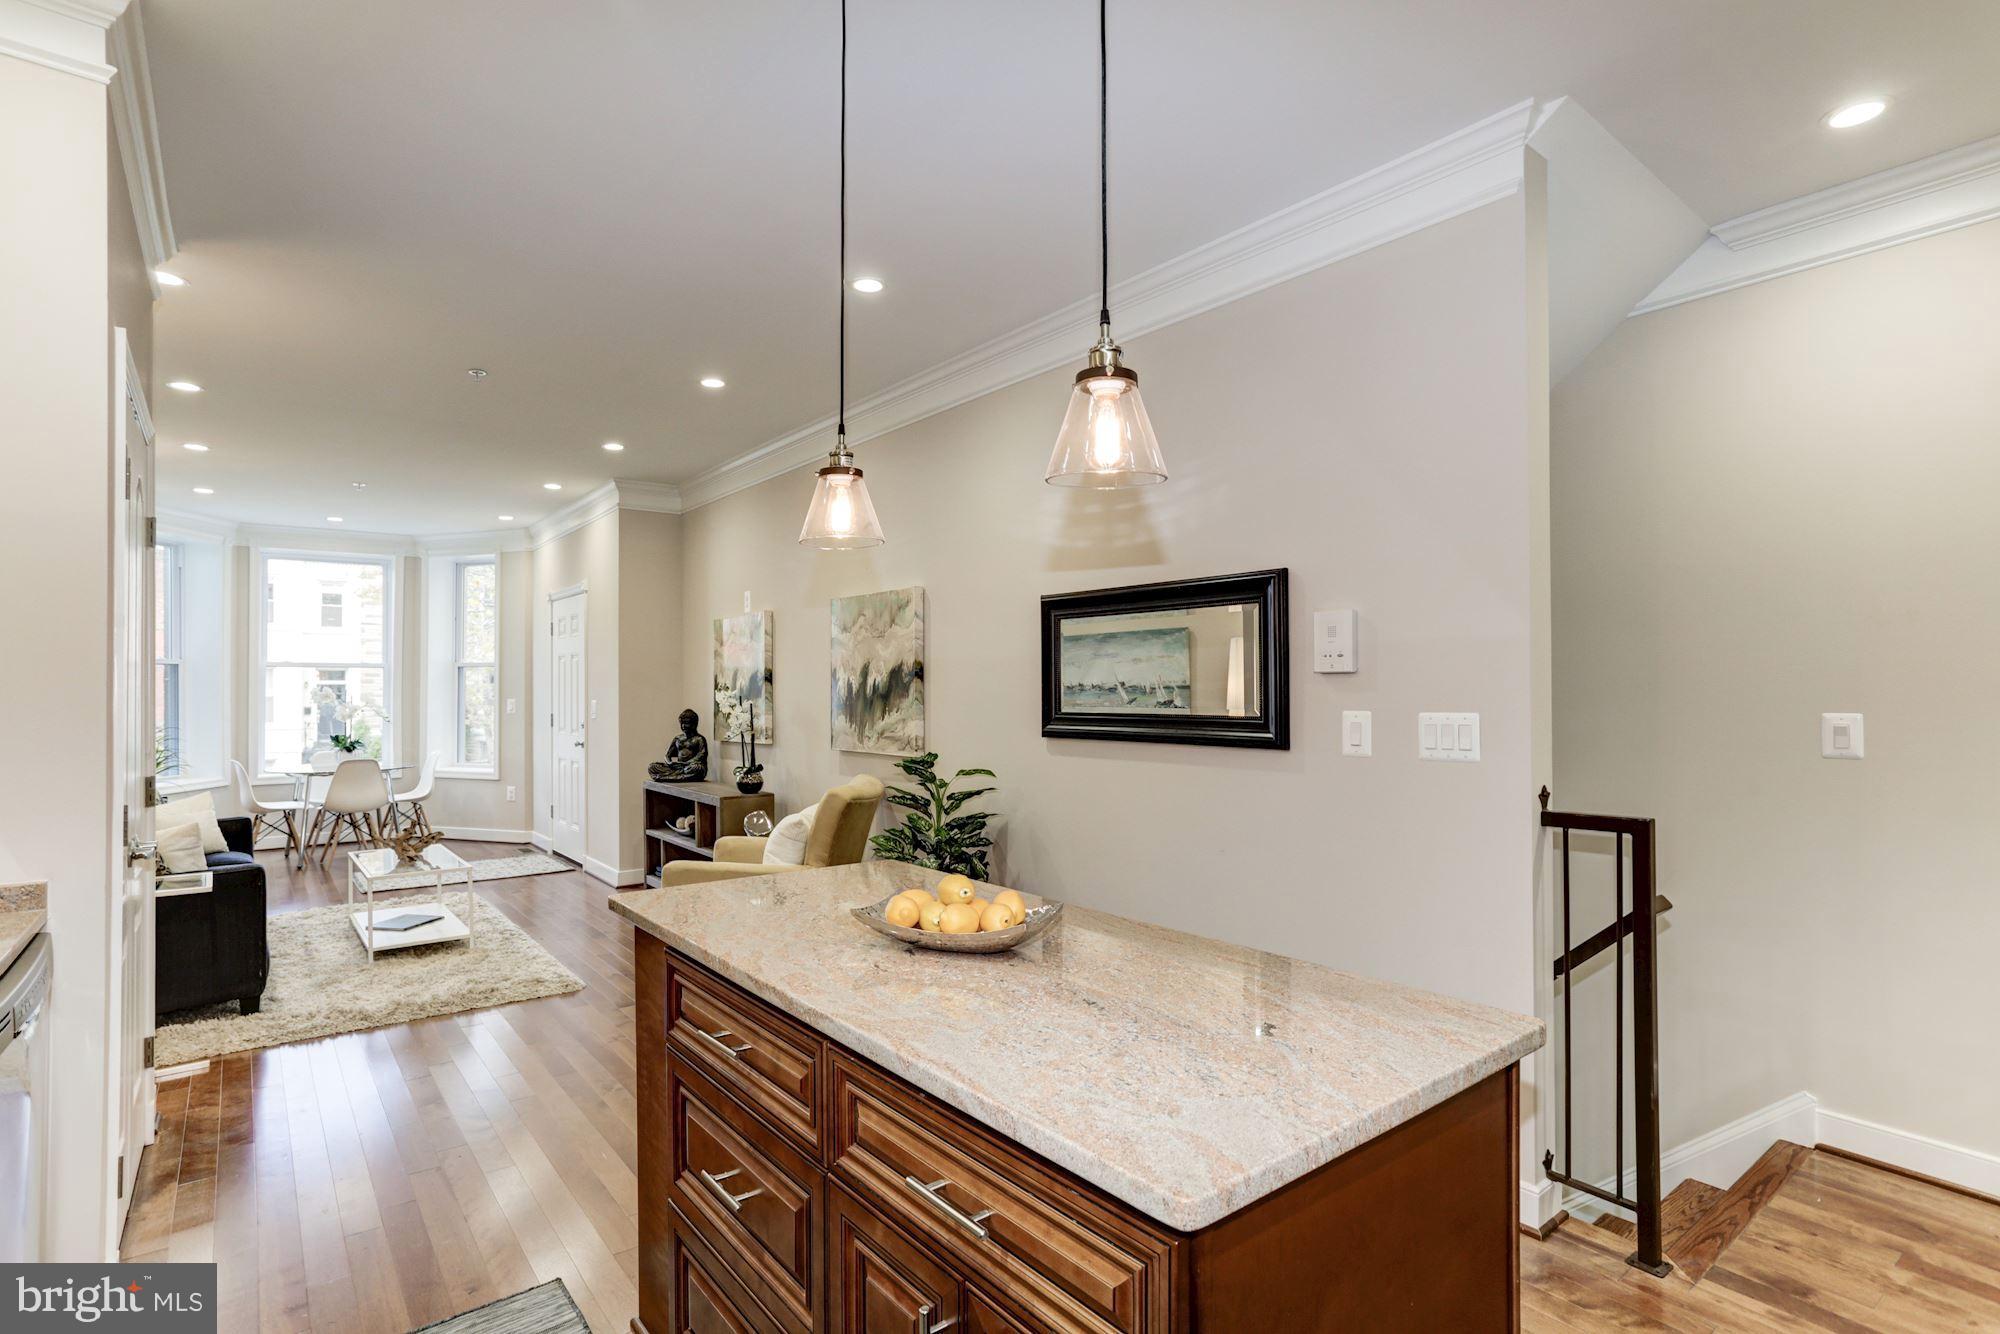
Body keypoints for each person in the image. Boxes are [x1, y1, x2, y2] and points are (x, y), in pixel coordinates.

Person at [651, 708, 709, 782]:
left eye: (686, 723)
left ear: (694, 724)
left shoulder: (699, 739)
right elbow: (667, 755)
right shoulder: (678, 738)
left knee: (697, 768)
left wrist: (686, 763)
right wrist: (670, 763)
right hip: (679, 767)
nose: (683, 726)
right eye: (681, 723)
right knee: (652, 767)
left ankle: (669, 777)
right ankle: (676, 776)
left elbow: (702, 756)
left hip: (690, 766)